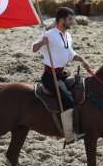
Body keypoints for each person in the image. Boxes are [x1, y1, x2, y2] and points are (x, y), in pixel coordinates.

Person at [31, 7, 91, 143]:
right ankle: (69, 135)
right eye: (70, 19)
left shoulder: (68, 36)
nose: (72, 22)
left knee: (80, 89)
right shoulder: (49, 34)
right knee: (68, 100)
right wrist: (41, 43)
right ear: (61, 20)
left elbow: (70, 53)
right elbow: (33, 48)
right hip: (50, 76)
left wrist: (82, 59)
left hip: (62, 74)